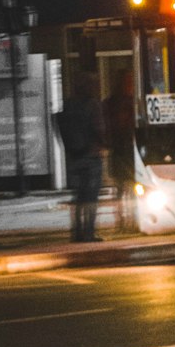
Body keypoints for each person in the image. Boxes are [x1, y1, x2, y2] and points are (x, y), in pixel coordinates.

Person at [56, 71, 106, 242]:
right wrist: (104, 144)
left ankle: (77, 233)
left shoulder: (67, 105)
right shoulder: (93, 105)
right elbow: (99, 129)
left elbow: (60, 127)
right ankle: (89, 232)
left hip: (74, 157)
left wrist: (70, 148)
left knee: (78, 196)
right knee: (91, 196)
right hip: (91, 156)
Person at [104, 68, 136, 233]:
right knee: (122, 188)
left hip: (126, 150)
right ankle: (123, 219)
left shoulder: (115, 103)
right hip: (122, 150)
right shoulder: (128, 103)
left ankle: (128, 219)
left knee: (128, 187)